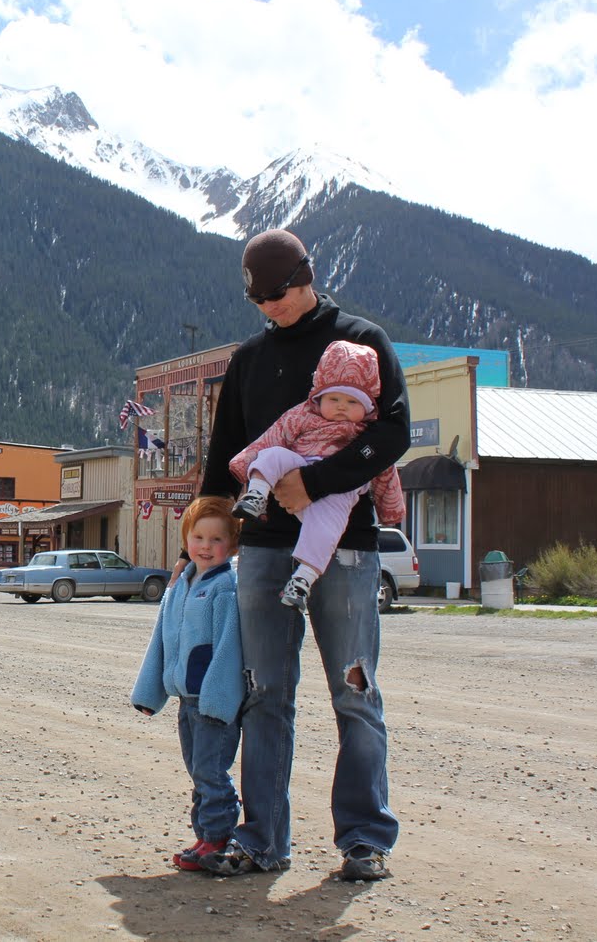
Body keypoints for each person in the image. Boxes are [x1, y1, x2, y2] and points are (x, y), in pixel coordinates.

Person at [197, 228, 408, 883]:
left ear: (306, 276)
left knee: (354, 691)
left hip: (343, 549)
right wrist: (204, 539)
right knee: (265, 695)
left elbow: (393, 433)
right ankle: (262, 840)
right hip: (263, 551)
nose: (271, 307)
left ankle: (365, 839)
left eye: (279, 294)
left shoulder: (362, 342)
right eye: (259, 300)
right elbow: (223, 455)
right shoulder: (249, 359)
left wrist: (313, 483)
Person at [229, 339, 406, 612]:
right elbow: (272, 436)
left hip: (339, 494)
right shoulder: (302, 416)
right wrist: (242, 463)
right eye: (334, 399)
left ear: (368, 407)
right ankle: (256, 495)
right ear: (319, 398)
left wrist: (391, 511)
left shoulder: (368, 434)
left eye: (352, 401)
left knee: (326, 533)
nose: (341, 407)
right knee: (272, 454)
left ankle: (302, 579)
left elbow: (386, 474)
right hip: (298, 464)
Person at [130, 497, 243, 872]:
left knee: (211, 772)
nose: (206, 547)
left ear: (232, 545)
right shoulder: (179, 585)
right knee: (198, 772)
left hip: (212, 702)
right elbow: (161, 642)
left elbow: (229, 646)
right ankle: (204, 836)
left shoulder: (225, 587)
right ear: (186, 539)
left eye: (216, 539)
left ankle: (219, 837)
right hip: (186, 700)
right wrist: (150, 693)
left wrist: (218, 698)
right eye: (198, 537)